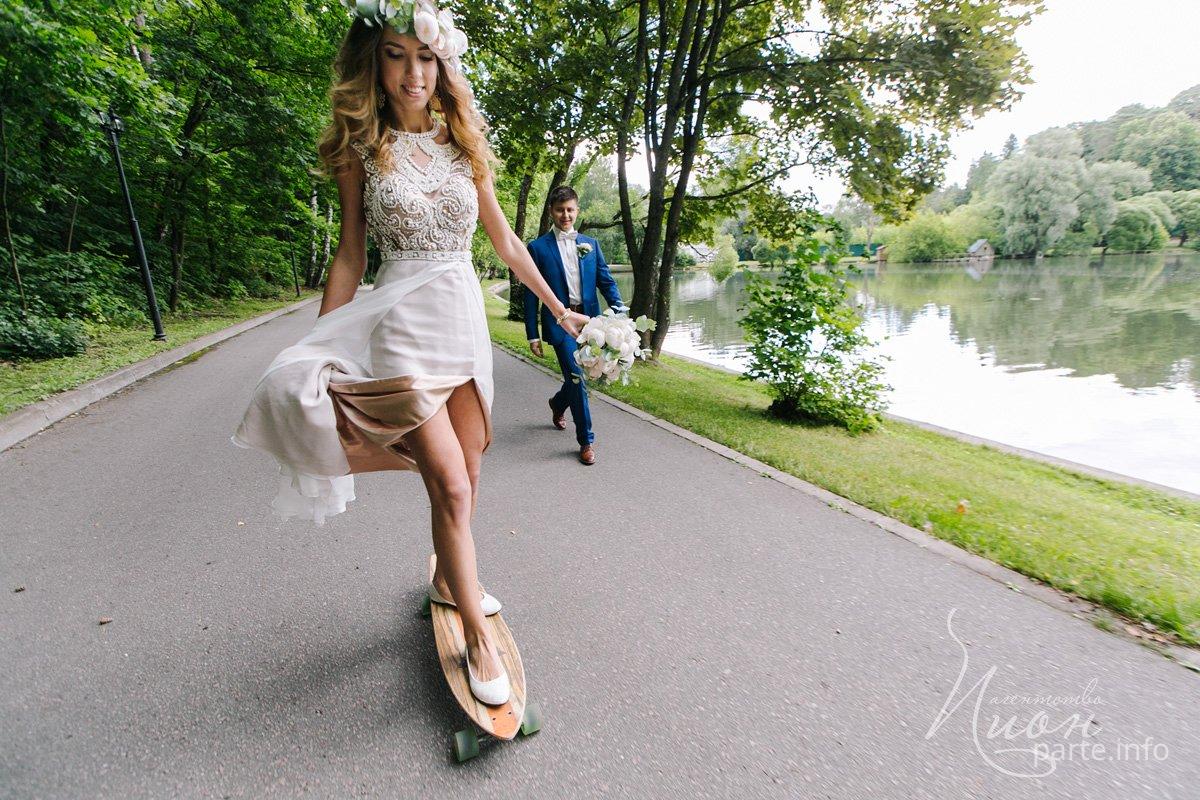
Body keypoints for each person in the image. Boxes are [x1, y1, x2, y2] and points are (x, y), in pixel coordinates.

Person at [231, 2, 587, 707]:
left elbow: (505, 242)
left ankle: (447, 579)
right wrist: (323, 346)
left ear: (442, 65)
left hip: (461, 322)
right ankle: (477, 640)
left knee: (469, 472)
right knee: (449, 485)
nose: (412, 73)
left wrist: (558, 308)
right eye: (396, 55)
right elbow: (350, 256)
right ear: (375, 63)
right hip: (400, 327)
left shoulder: (465, 143)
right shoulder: (361, 148)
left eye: (425, 57)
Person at [524, 186, 625, 465]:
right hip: (559, 324)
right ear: (551, 212)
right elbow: (531, 293)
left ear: (577, 211)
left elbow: (606, 282)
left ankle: (558, 403)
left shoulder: (591, 245)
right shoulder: (537, 248)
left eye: (570, 210)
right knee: (577, 377)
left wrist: (620, 316)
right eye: (560, 210)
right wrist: (532, 334)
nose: (565, 215)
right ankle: (586, 441)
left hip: (591, 324)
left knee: (578, 378)